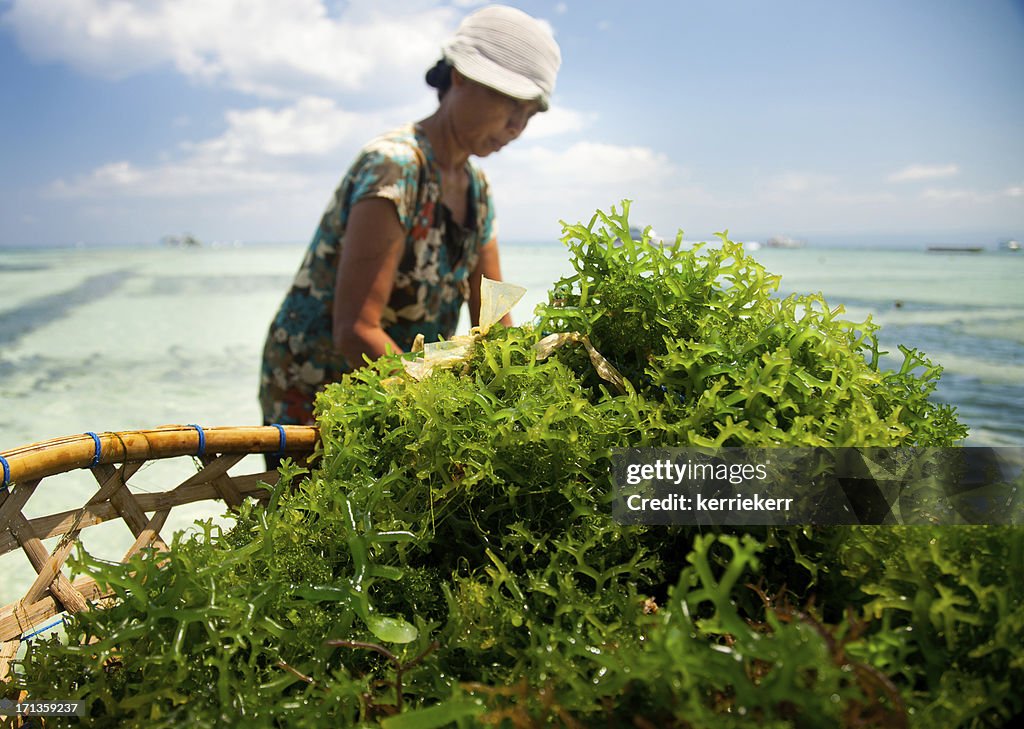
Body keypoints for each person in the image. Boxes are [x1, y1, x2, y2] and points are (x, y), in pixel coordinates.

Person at [259, 5, 561, 466]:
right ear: (460, 77)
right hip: (319, 383)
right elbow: (357, 330)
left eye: (529, 114)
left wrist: (522, 390)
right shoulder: (397, 166)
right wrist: (446, 412)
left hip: (402, 387)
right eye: (509, 104)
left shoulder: (477, 188)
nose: (516, 127)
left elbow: (494, 318)